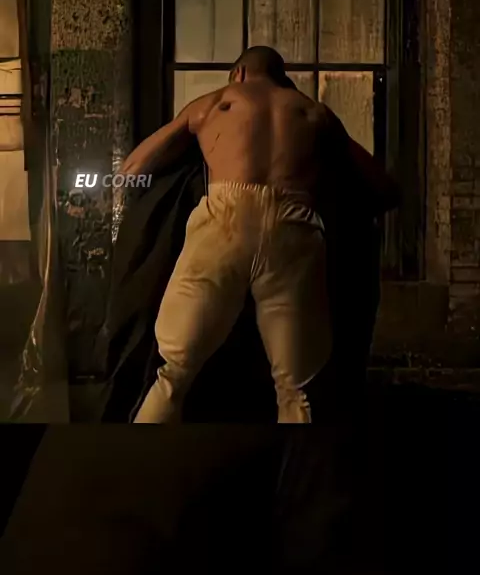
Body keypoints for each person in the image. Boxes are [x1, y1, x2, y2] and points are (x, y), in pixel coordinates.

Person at [123, 46, 398, 424]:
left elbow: (132, 168)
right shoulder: (315, 113)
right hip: (292, 227)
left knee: (173, 376)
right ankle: (295, 462)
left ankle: (143, 459)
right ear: (282, 78)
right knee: (296, 391)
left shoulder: (214, 104)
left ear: (238, 73)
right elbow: (386, 190)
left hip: (223, 226)